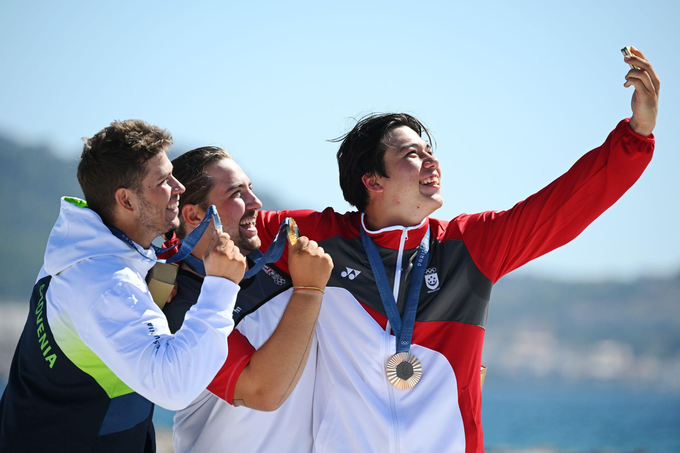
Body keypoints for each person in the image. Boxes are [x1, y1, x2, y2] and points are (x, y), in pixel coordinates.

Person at [253, 48, 660, 452]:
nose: (432, 161)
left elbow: (564, 206)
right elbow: (228, 222)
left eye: (431, 151)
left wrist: (636, 136)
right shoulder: (318, 239)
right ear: (373, 181)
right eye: (413, 154)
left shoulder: (470, 246)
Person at [0, 120, 247, 452]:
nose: (179, 187)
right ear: (126, 201)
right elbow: (174, 386)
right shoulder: (107, 284)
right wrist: (221, 286)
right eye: (163, 181)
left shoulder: (80, 252)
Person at [163, 147, 333, 453]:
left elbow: (348, 227)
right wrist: (308, 291)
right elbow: (261, 392)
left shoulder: (276, 258)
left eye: (250, 189)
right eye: (236, 193)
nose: (256, 203)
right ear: (193, 214)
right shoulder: (180, 304)